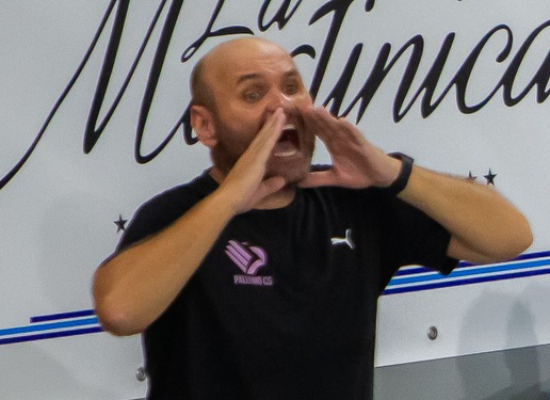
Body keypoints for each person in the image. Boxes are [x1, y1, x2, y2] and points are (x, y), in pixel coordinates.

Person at [93, 37, 533, 400]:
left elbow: (510, 237)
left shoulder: (353, 200)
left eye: (291, 87)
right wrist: (227, 201)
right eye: (253, 94)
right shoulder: (176, 215)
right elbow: (121, 311)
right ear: (206, 126)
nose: (281, 107)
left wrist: (391, 172)